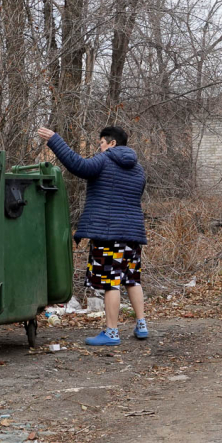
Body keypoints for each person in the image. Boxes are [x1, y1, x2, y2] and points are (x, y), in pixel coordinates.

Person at [37, 125, 147, 346]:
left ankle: (112, 332)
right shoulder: (138, 169)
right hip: (133, 234)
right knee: (131, 279)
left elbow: (78, 165)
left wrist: (55, 139)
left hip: (109, 234)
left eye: (102, 143)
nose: (100, 147)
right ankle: (142, 325)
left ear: (112, 143)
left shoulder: (105, 160)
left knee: (110, 283)